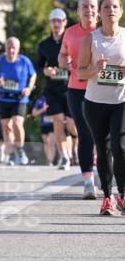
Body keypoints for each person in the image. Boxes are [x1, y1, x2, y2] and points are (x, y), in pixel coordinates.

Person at [76, 0, 125, 217]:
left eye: (115, 7)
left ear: (121, 11)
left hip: (121, 102)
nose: (111, 10)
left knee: (120, 147)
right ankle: (107, 197)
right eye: (106, 7)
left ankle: (122, 195)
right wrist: (96, 69)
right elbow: (80, 72)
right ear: (100, 12)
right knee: (103, 150)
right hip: (95, 103)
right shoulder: (91, 39)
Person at [59, 0, 99, 198]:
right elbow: (62, 53)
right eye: (84, 6)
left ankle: (103, 170)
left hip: (101, 89)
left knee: (102, 135)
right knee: (85, 133)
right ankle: (88, 182)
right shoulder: (70, 33)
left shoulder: (103, 32)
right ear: (78, 11)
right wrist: (63, 61)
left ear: (98, 10)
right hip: (76, 88)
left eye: (92, 6)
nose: (89, 9)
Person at [35, 9, 77, 170]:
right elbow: (37, 66)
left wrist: (72, 65)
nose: (57, 24)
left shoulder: (72, 40)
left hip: (71, 88)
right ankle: (64, 157)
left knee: (73, 126)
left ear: (65, 22)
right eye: (54, 21)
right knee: (58, 121)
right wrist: (45, 71)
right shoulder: (44, 45)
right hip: (52, 90)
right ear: (50, 23)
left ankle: (75, 146)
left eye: (60, 21)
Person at [0, 37, 36, 165]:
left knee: (17, 123)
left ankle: (20, 150)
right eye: (9, 48)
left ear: (18, 49)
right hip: (4, 98)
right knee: (6, 127)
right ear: (6, 48)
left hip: (20, 98)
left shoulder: (24, 61)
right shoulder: (0, 62)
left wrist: (28, 88)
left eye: (14, 48)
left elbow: (33, 75)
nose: (11, 50)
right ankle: (11, 154)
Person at [31, 96, 56, 165]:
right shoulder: (41, 100)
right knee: (46, 142)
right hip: (44, 124)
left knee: (51, 142)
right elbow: (33, 113)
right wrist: (42, 109)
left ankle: (51, 161)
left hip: (53, 124)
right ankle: (49, 160)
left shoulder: (55, 97)